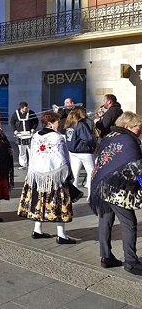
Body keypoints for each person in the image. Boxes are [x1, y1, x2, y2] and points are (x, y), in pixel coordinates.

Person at [89, 112, 142, 274]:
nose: (140, 130)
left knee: (105, 221)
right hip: (117, 189)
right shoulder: (128, 142)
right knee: (129, 223)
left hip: (101, 184)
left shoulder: (109, 136)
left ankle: (106, 257)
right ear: (127, 126)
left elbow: (102, 160)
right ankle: (131, 262)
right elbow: (136, 168)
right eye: (138, 127)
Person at [17, 111, 78, 244]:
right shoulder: (58, 137)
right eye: (57, 122)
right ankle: (61, 235)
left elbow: (33, 155)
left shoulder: (36, 135)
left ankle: (37, 229)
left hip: (37, 175)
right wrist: (68, 175)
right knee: (58, 203)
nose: (59, 124)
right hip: (54, 176)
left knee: (40, 201)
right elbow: (63, 158)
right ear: (50, 123)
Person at [64, 107, 96, 200]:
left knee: (75, 173)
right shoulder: (81, 124)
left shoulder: (69, 125)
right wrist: (93, 145)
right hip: (84, 151)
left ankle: (74, 194)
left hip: (73, 151)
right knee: (91, 172)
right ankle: (91, 194)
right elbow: (88, 139)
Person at [10, 101, 39, 170]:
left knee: (31, 149)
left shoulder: (31, 113)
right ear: (21, 108)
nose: (27, 109)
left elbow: (36, 121)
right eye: (25, 108)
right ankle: (23, 164)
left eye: (27, 108)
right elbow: (12, 122)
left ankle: (32, 164)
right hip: (20, 134)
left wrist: (33, 128)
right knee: (22, 150)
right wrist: (15, 130)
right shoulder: (15, 114)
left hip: (29, 133)